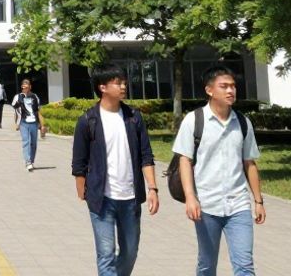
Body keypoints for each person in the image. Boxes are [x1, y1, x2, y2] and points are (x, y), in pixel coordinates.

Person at [172, 64, 264, 276]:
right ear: (209, 90)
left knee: (244, 265)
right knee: (207, 264)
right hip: (206, 205)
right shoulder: (194, 120)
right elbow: (184, 160)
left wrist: (258, 201)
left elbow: (249, 163)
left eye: (233, 86)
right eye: (224, 86)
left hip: (238, 205)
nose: (231, 91)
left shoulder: (242, 122)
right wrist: (190, 197)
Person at [72, 63, 159, 276]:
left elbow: (146, 156)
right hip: (101, 200)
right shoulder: (88, 120)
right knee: (106, 253)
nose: (123, 87)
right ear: (102, 87)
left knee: (130, 251)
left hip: (130, 198)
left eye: (124, 83)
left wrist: (153, 188)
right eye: (118, 83)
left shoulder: (134, 117)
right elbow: (79, 163)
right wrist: (83, 192)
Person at [11, 79, 45, 171]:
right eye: (23, 86)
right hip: (23, 123)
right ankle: (28, 161)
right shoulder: (17, 97)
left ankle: (31, 161)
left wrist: (42, 126)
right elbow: (16, 111)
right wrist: (16, 124)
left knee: (33, 143)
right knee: (26, 142)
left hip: (34, 123)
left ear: (30, 86)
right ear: (22, 87)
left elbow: (38, 112)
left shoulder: (35, 97)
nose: (25, 87)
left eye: (27, 86)